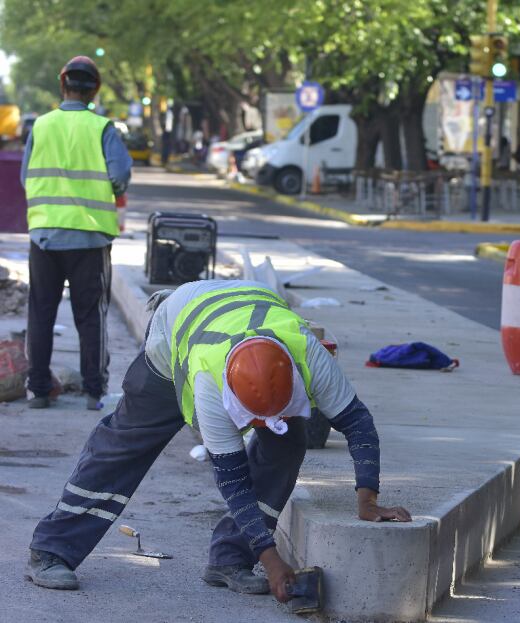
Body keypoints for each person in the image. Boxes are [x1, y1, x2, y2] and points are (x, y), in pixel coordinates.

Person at [25, 280, 411, 603]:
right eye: (256, 417)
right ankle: (52, 549)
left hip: (241, 312)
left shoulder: (309, 355)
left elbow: (358, 423)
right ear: (231, 398)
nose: (264, 424)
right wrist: (272, 558)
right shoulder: (209, 384)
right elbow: (231, 479)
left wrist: (368, 501)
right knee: (128, 442)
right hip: (176, 333)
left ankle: (230, 559)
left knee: (286, 444)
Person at [20, 56, 132, 411]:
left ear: (62, 83)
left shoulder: (41, 126)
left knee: (41, 312)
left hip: (45, 237)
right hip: (89, 236)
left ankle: (38, 390)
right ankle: (94, 392)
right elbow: (119, 176)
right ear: (94, 90)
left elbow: (26, 178)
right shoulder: (103, 128)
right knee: (90, 314)